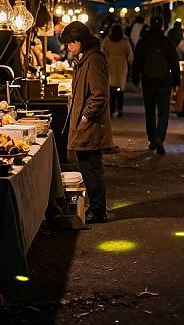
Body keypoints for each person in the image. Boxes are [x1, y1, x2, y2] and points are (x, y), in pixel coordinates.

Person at [61, 21, 112, 224]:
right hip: (87, 124)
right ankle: (98, 207)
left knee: (91, 168)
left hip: (91, 125)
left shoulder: (93, 60)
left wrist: (85, 116)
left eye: (70, 44)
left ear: (79, 41)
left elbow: (100, 94)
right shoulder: (85, 59)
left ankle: (99, 210)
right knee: (89, 167)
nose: (68, 47)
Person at [132, 16, 180, 155]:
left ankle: (152, 139)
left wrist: (135, 80)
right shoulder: (166, 42)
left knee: (150, 112)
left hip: (148, 82)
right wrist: (176, 81)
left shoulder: (144, 41)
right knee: (164, 112)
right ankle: (160, 137)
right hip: (164, 82)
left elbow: (137, 62)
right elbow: (174, 62)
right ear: (162, 25)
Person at [101, 23, 133, 117]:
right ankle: (120, 109)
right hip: (122, 65)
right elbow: (130, 53)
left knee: (111, 88)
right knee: (120, 89)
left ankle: (111, 110)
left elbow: (102, 51)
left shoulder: (108, 39)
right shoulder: (124, 40)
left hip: (110, 64)